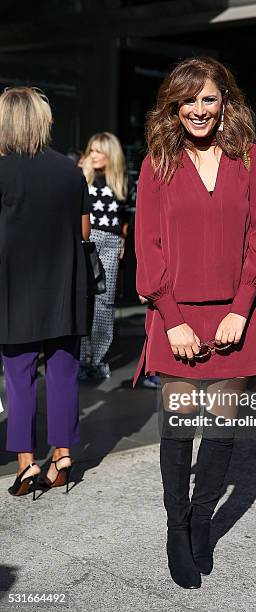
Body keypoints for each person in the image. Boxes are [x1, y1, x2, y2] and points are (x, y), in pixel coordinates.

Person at [133, 57, 256, 588]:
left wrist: (242, 309)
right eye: (188, 100)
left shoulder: (252, 160)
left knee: (220, 435)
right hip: (177, 321)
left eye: (208, 99)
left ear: (225, 102)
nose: (199, 110)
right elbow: (148, 247)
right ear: (173, 105)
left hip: (235, 320)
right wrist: (170, 319)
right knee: (178, 431)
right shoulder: (157, 164)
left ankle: (200, 525)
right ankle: (176, 528)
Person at [0, 86, 91, 498]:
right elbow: (84, 230)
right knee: (63, 373)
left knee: (19, 378)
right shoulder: (70, 171)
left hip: (14, 289)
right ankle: (63, 456)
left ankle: (25, 464)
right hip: (65, 287)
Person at [79, 132, 131, 379]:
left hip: (110, 242)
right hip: (85, 241)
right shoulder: (82, 177)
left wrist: (122, 240)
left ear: (111, 154)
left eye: (99, 151)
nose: (94, 155)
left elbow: (125, 217)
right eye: (91, 150)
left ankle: (98, 360)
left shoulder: (121, 181)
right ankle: (81, 360)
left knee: (104, 302)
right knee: (82, 300)